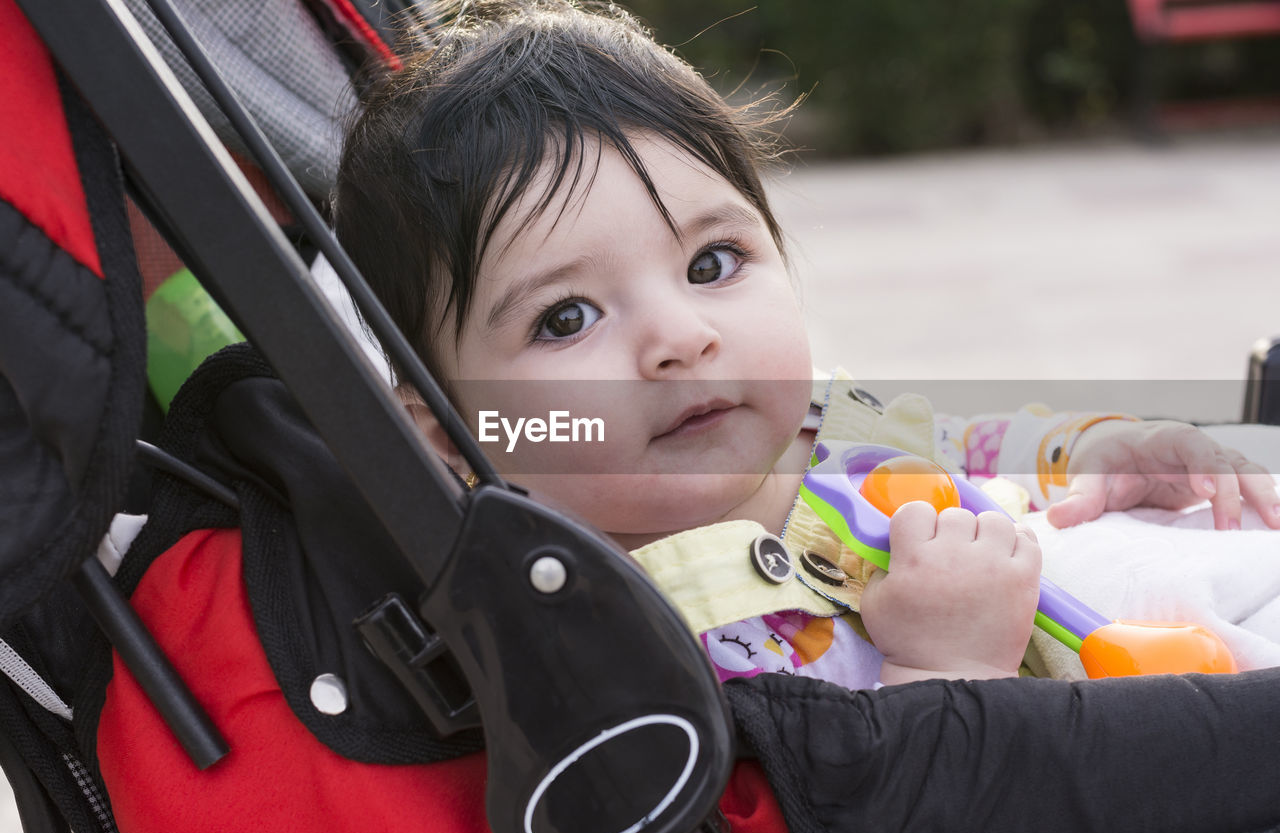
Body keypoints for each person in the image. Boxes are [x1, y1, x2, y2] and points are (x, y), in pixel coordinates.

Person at [332, 0, 1280, 690]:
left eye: (712, 262)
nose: (681, 338)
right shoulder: (622, 643)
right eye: (566, 318)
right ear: (452, 432)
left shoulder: (817, 422)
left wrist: (1093, 455)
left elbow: (956, 444)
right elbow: (855, 809)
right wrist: (941, 666)